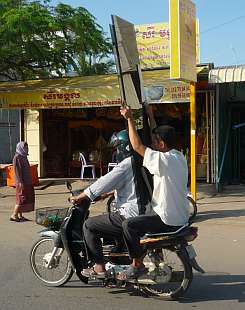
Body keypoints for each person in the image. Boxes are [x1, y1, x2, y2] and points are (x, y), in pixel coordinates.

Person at [118, 105, 190, 279]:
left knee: (129, 225)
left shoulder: (161, 160)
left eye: (155, 141)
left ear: (162, 144)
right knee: (146, 216)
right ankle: (154, 254)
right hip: (180, 216)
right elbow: (154, 136)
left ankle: (137, 265)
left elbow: (136, 146)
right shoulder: (178, 156)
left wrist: (129, 119)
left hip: (166, 218)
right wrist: (150, 116)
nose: (152, 143)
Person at [70, 129, 150, 278]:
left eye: (116, 148)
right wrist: (108, 194)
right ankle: (118, 257)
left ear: (123, 147)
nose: (116, 151)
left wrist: (82, 195)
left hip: (131, 213)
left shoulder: (127, 164)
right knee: (108, 222)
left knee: (89, 225)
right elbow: (134, 186)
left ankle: (99, 267)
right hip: (146, 211)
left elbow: (104, 181)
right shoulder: (142, 159)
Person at [10, 141, 35, 222]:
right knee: (21, 199)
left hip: (27, 181)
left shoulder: (24, 156)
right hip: (21, 182)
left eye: (27, 147)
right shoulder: (17, 157)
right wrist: (20, 182)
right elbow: (17, 171)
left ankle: (20, 215)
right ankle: (14, 215)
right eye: (25, 147)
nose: (27, 149)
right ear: (20, 148)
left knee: (25, 199)